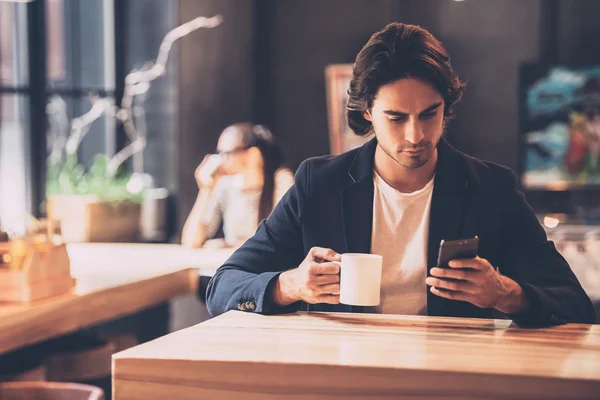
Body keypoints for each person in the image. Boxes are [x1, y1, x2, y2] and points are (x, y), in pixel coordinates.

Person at [206, 23, 595, 326]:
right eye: (396, 117)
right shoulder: (318, 183)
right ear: (367, 113)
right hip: (342, 374)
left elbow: (574, 304)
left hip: (451, 377)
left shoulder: (490, 188)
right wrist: (290, 284)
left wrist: (505, 293)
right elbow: (224, 286)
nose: (416, 135)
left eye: (430, 113)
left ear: (447, 106)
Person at [181, 123, 293, 249]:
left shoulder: (281, 182)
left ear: (252, 154)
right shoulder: (225, 185)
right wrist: (205, 190)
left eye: (227, 153)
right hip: (234, 266)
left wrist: (231, 246)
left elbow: (282, 240)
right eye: (219, 153)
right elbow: (191, 241)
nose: (221, 160)